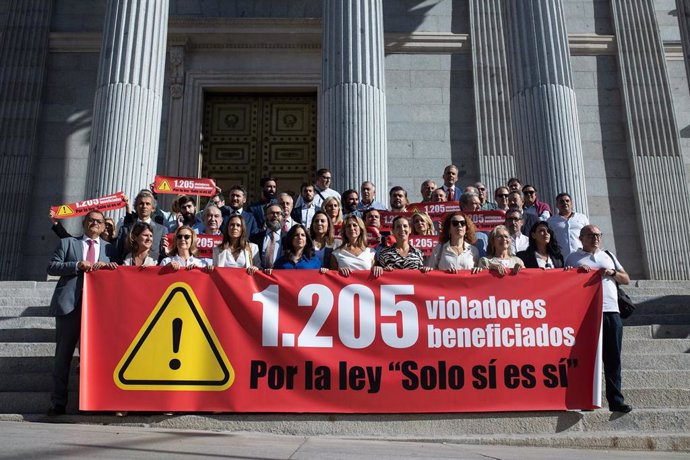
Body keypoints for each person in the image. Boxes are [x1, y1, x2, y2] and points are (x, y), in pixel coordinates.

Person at [47, 211, 118, 415]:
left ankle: (90, 403)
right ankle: (58, 402)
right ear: (84, 223)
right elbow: (52, 266)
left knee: (94, 359)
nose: (95, 224)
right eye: (91, 221)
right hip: (70, 306)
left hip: (98, 310)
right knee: (63, 357)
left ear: (104, 227)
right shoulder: (68, 243)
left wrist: (109, 268)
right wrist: (77, 265)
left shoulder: (110, 249)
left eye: (99, 222)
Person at [565, 225, 632, 413]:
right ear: (581, 238)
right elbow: (565, 282)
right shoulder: (573, 258)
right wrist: (575, 273)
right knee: (587, 358)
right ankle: (587, 399)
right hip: (586, 314)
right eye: (590, 235)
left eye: (598, 235)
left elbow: (626, 278)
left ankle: (616, 400)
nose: (595, 238)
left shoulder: (608, 255)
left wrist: (611, 273)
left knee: (613, 359)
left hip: (611, 311)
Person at [116, 189, 168, 262]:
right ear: (136, 207)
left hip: (153, 270)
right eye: (141, 203)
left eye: (147, 204)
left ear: (153, 208)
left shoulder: (162, 230)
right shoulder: (125, 229)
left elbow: (164, 255)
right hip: (129, 269)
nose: (144, 206)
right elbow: (118, 254)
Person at [547, 192, 589, 258]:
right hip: (560, 258)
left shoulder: (582, 218)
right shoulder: (551, 221)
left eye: (567, 201)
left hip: (581, 256)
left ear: (571, 204)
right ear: (557, 205)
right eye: (562, 201)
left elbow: (589, 235)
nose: (565, 203)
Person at [250, 204, 286, 269]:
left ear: (283, 217)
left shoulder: (288, 238)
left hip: (281, 276)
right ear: (265, 216)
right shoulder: (255, 238)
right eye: (271, 213)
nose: (275, 215)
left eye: (278, 213)